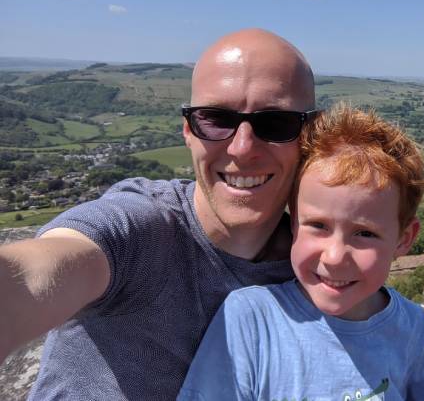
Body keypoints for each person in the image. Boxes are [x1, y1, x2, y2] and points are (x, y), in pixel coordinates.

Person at [0, 28, 317, 400]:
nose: (243, 148)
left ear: (311, 132)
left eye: (276, 123)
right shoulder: (141, 230)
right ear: (188, 130)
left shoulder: (319, 270)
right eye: (216, 119)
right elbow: (38, 273)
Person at [178, 105, 424, 401]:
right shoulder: (251, 319)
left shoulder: (412, 330)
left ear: (403, 240)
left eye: (365, 233)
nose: (334, 256)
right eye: (318, 226)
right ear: (293, 223)